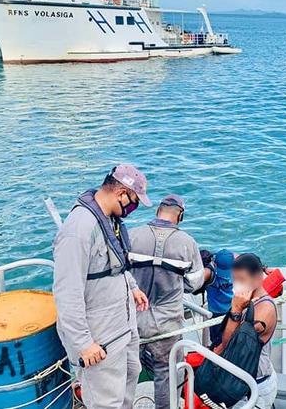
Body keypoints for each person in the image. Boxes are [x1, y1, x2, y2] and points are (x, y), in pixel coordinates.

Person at [52, 164, 151, 409]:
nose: (133, 207)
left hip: (123, 327)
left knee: (129, 381)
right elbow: (66, 293)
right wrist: (83, 343)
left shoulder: (109, 219)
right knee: (106, 401)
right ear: (121, 193)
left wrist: (132, 287)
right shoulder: (79, 230)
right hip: (101, 336)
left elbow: (116, 263)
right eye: (134, 200)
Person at [128, 194, 205, 409]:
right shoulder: (187, 243)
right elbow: (194, 282)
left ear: (157, 211)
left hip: (133, 320)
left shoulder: (133, 235)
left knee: (128, 371)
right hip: (167, 325)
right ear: (180, 215)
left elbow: (121, 274)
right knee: (166, 373)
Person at [215, 253, 278, 409]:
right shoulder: (248, 301)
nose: (236, 285)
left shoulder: (264, 309)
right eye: (235, 280)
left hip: (256, 385)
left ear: (257, 278)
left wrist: (235, 309)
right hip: (243, 379)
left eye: (241, 280)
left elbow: (230, 344)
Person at [205, 249, 236, 345]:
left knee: (216, 340)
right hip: (232, 311)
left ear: (215, 264)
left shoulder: (211, 275)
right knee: (231, 338)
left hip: (215, 314)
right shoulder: (236, 275)